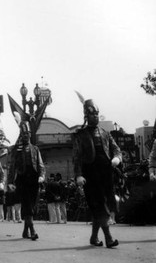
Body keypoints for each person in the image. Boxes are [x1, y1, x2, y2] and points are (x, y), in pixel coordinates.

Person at [73, 98, 122, 248]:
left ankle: (94, 238)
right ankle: (109, 238)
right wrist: (78, 175)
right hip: (90, 175)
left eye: (97, 114)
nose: (95, 117)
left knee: (99, 207)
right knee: (100, 206)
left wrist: (116, 158)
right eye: (92, 114)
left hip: (106, 174)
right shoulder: (80, 135)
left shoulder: (106, 133)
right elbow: (77, 157)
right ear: (86, 116)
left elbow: (117, 150)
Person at [7, 113, 45, 241]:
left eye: (28, 134)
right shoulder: (16, 150)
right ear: (20, 135)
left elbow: (41, 165)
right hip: (22, 180)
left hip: (34, 180)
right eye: (23, 134)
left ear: (30, 134)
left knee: (32, 205)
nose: (26, 136)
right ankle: (32, 230)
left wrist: (42, 176)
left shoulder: (35, 149)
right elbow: (11, 167)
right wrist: (10, 182)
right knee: (27, 205)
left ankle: (25, 230)